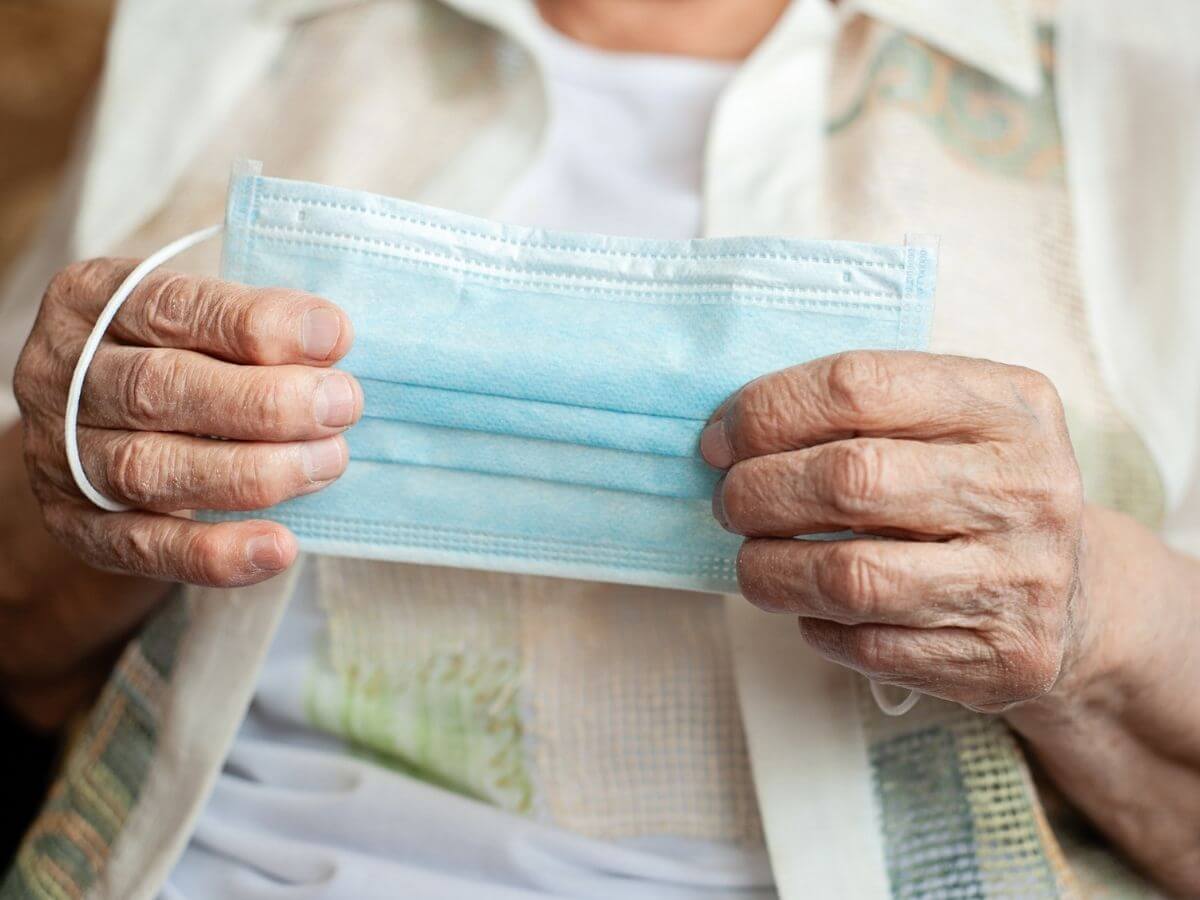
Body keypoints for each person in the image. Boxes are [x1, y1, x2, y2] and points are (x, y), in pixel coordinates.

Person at [1, 0, 1198, 897]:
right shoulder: (227, 31)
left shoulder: (1142, 87)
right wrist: (82, 462)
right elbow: (20, 639)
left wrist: (1090, 611)